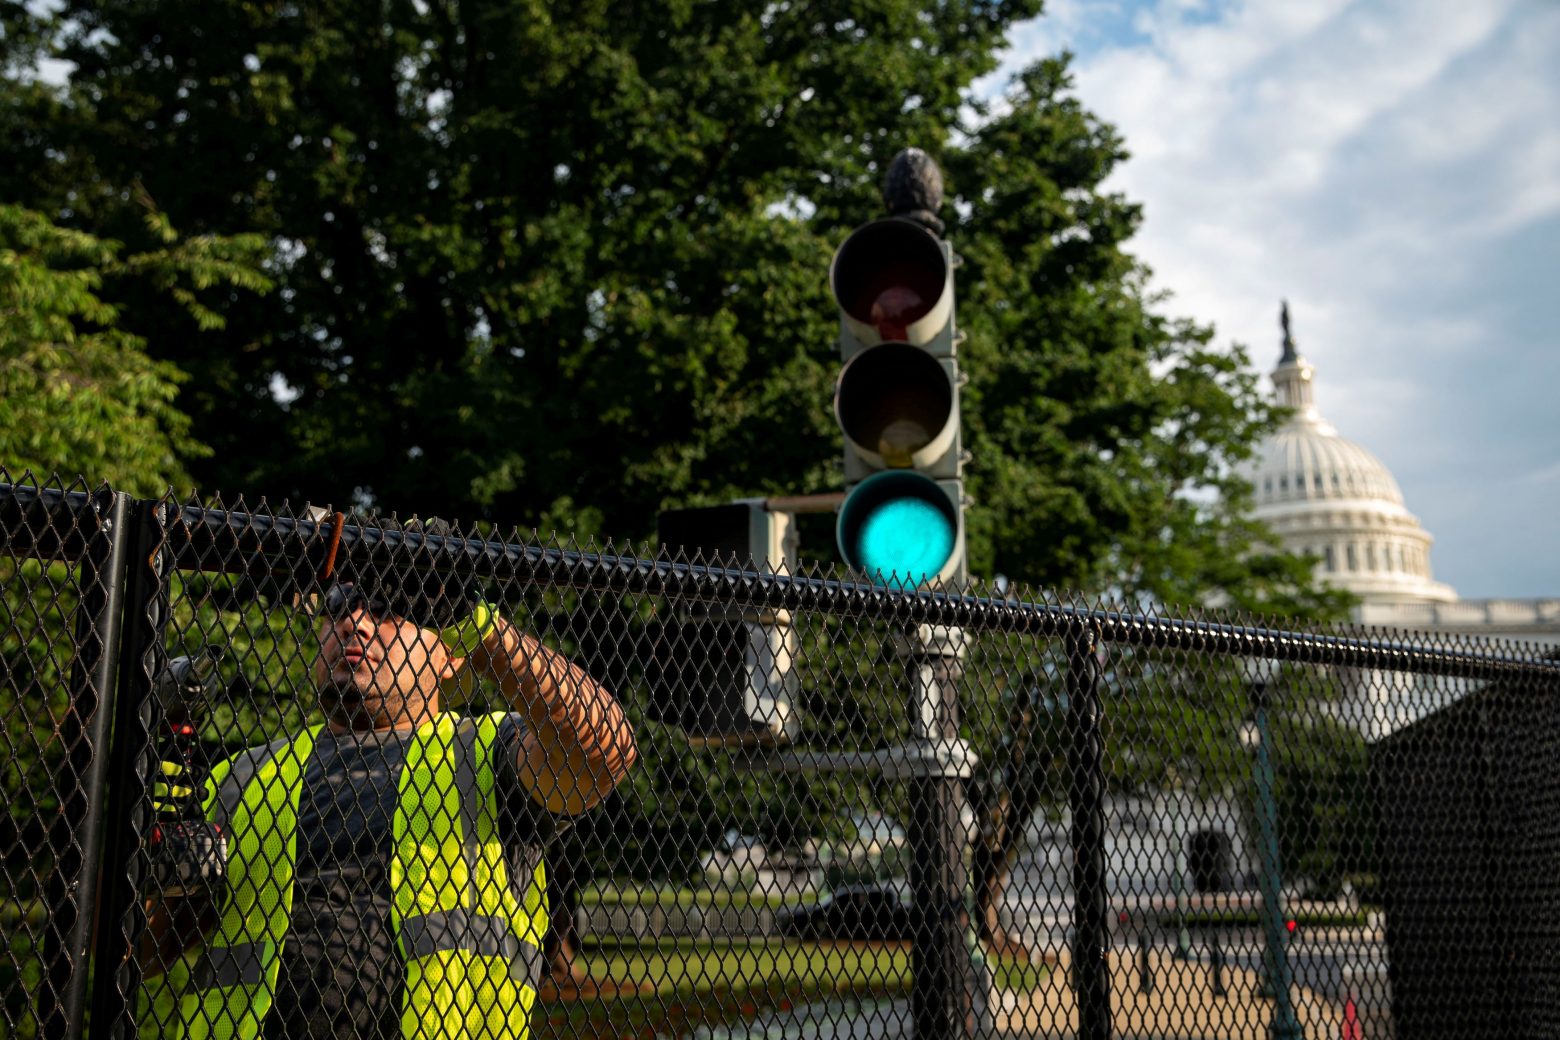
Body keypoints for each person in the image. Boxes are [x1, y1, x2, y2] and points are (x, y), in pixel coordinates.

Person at [139, 521, 638, 1040]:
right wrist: (163, 879)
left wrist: (479, 624)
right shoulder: (246, 774)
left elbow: (607, 750)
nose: (356, 621)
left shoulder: (488, 751)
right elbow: (146, 953)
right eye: (339, 602)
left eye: (390, 606)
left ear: (450, 653)